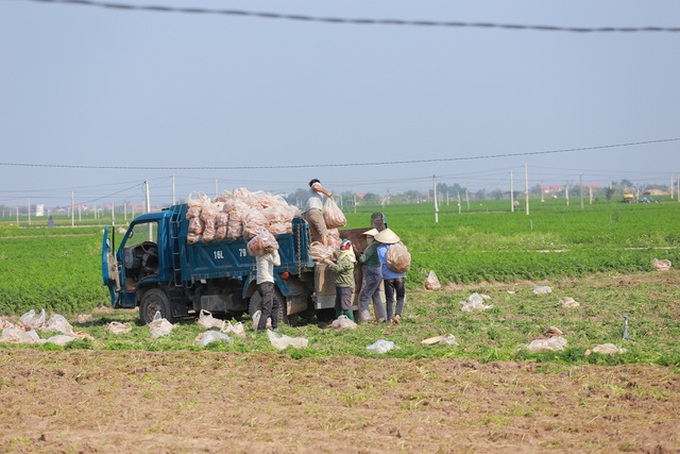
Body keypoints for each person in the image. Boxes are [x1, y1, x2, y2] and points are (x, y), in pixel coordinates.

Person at [375, 228, 405, 324]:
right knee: (400, 297)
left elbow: (381, 262)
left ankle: (389, 319)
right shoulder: (400, 247)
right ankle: (398, 314)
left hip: (388, 276)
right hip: (400, 275)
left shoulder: (379, 249)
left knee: (389, 298)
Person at [357, 228, 387, 322]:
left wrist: (357, 253)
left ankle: (365, 319)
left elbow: (363, 260)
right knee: (376, 295)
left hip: (371, 272)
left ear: (374, 238)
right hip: (378, 272)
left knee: (363, 297)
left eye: (369, 237)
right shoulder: (380, 247)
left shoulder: (372, 247)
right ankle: (382, 318)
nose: (367, 239)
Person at [324, 239, 356, 321]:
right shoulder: (344, 256)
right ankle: (339, 322)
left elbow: (338, 268)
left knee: (345, 306)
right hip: (340, 284)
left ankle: (351, 322)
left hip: (345, 285)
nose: (342, 248)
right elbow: (338, 254)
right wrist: (332, 249)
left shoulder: (347, 259)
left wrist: (329, 262)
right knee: (338, 306)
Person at [255, 246, 281, 331]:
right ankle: (260, 329)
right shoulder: (267, 256)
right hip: (267, 284)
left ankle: (275, 326)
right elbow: (278, 263)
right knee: (267, 307)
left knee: (275, 304)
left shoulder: (258, 256)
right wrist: (275, 251)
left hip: (261, 284)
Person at [302, 179, 333, 246]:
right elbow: (315, 187)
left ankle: (318, 249)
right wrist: (327, 193)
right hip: (314, 211)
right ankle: (326, 250)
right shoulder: (316, 185)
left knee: (316, 234)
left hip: (307, 214)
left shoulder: (309, 193)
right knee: (323, 232)